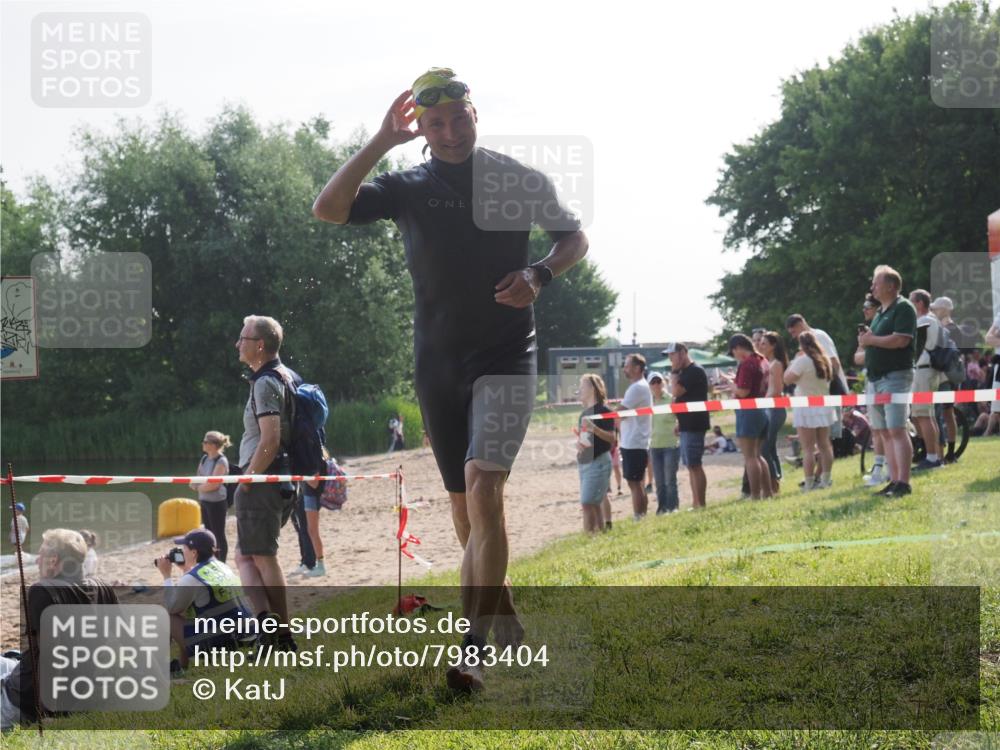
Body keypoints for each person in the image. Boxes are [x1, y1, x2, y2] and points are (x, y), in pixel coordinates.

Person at [312, 68, 589, 691]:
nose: (451, 131)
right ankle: (508, 622)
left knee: (484, 486)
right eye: (435, 123)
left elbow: (575, 238)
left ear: (474, 112)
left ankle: (474, 650)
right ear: (422, 128)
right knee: (465, 511)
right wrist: (381, 141)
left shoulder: (516, 179)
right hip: (436, 365)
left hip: (507, 353)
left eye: (459, 117)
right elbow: (327, 210)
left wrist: (540, 274)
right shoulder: (407, 186)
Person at [1, 529, 118, 730]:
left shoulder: (43, 591)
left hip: (24, 699)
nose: (37, 562)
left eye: (41, 556)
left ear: (53, 561)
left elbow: (51, 657)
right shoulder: (102, 587)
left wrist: (46, 713)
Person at [234, 314, 298, 651]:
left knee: (261, 557)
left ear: (260, 345)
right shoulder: (285, 376)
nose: (237, 344)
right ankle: (268, 630)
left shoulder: (265, 382)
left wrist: (247, 478)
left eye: (243, 338)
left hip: (262, 482)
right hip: (277, 480)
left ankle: (280, 636)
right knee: (248, 557)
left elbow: (270, 439)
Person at [156, 528, 255, 673]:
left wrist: (166, 576)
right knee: (186, 610)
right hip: (249, 635)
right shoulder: (223, 567)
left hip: (225, 643)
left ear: (194, 553)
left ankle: (166, 666)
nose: (181, 551)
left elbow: (172, 606)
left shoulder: (192, 578)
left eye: (184, 548)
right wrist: (186, 570)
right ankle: (181, 665)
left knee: (167, 615)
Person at [859, 265, 917, 497]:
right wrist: (868, 340)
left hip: (894, 376)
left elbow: (902, 341)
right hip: (876, 379)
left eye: (876, 282)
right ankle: (894, 481)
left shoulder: (903, 308)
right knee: (884, 432)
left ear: (891, 286)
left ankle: (903, 482)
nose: (872, 286)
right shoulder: (882, 311)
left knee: (896, 430)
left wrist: (872, 340)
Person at [719, 334, 772, 499]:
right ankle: (767, 493)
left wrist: (730, 385)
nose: (734, 355)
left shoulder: (747, 363)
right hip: (762, 410)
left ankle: (755, 495)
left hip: (748, 411)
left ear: (738, 348)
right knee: (758, 455)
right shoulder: (762, 359)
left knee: (750, 457)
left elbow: (743, 391)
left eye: (733, 351)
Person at [784, 331, 835, 490]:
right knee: (824, 445)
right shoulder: (825, 359)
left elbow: (787, 379)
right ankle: (825, 480)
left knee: (807, 448)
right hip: (823, 405)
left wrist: (794, 361)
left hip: (806, 406)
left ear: (801, 345)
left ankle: (809, 482)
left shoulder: (802, 360)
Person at [665, 343, 709, 508]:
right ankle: (696, 502)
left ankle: (701, 503)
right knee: (690, 465)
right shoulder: (686, 372)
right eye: (669, 356)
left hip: (695, 423)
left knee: (695, 464)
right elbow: (678, 399)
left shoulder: (694, 370)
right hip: (686, 423)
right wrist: (679, 421)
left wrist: (674, 371)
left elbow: (676, 392)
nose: (671, 359)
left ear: (683, 353)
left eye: (673, 355)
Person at [573, 374, 615, 533]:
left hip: (599, 461)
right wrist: (580, 444)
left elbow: (612, 438)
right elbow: (586, 440)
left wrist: (595, 429)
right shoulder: (584, 414)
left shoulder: (604, 411)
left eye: (582, 386)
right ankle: (598, 534)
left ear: (592, 388)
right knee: (593, 502)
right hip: (585, 463)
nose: (580, 390)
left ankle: (590, 536)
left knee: (587, 502)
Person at [855, 295, 889, 485]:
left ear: (877, 308)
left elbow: (861, 358)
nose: (864, 310)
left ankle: (888, 469)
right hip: (872, 381)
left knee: (887, 430)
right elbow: (857, 358)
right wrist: (862, 344)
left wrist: (865, 346)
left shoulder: (880, 329)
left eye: (868, 306)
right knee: (877, 429)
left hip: (885, 380)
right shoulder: (870, 331)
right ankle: (879, 468)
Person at [909, 289, 943, 470]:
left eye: (911, 302)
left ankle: (932, 458)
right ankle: (933, 455)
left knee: (923, 415)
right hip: (925, 370)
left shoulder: (924, 321)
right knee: (923, 415)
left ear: (919, 303)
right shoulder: (931, 320)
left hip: (924, 370)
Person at [616, 354, 653, 520]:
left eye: (627, 365)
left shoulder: (637, 387)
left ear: (637, 368)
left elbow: (621, 412)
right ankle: (641, 515)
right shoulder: (639, 386)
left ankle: (639, 515)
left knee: (634, 483)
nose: (625, 369)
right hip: (635, 440)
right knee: (637, 482)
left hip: (634, 441)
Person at [290, 447, 330, 578]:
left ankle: (321, 565)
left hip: (312, 498)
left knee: (313, 531)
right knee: (311, 531)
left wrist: (300, 474)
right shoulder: (314, 459)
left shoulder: (314, 460)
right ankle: (316, 564)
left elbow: (314, 482)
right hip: (308, 497)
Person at [929, 296, 960, 463]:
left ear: (945, 310)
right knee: (947, 413)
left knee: (946, 413)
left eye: (936, 308)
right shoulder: (940, 327)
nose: (933, 311)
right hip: (943, 376)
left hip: (948, 377)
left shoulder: (952, 329)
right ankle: (946, 451)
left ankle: (950, 451)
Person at [194, 430, 232, 562]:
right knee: (208, 533)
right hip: (204, 500)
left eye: (205, 442)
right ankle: (212, 560)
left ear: (214, 445)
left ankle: (222, 562)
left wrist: (198, 487)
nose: (203, 444)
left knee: (218, 534)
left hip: (217, 502)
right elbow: (198, 477)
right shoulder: (204, 458)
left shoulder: (221, 461)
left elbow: (214, 485)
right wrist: (195, 484)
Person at [758, 331, 789, 494]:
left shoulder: (776, 364)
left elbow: (777, 389)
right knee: (769, 448)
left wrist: (761, 402)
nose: (760, 346)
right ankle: (775, 480)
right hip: (769, 407)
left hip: (775, 409)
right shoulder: (767, 363)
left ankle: (773, 483)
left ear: (773, 345)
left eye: (764, 343)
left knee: (765, 448)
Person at [647, 372, 680, 514]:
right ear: (649, 385)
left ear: (663, 383)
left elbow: (680, 417)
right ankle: (662, 508)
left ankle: (673, 507)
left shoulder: (671, 400)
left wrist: (679, 425)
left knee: (670, 479)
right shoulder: (648, 402)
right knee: (659, 481)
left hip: (671, 444)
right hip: (654, 445)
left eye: (658, 381)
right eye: (653, 382)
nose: (656, 384)